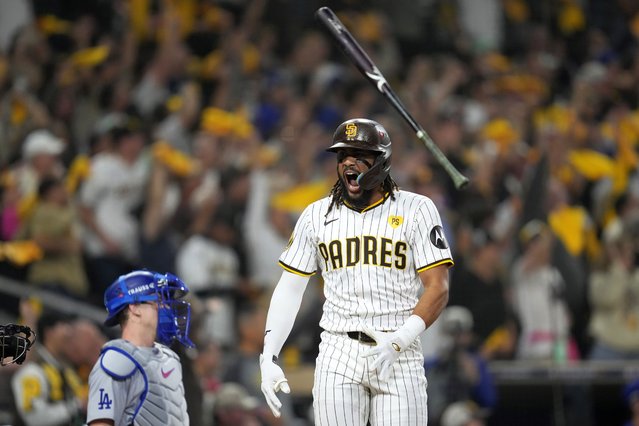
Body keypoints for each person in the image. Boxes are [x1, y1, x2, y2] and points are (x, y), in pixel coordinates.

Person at [259, 118, 453, 425]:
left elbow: (438, 287)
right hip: (339, 349)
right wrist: (269, 354)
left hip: (398, 347)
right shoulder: (315, 216)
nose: (349, 162)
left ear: (381, 162)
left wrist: (401, 339)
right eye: (343, 155)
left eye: (360, 155)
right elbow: (290, 287)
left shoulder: (417, 209)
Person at [85, 270, 194, 426]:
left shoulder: (170, 359)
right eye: (159, 301)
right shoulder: (116, 361)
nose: (167, 309)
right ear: (135, 308)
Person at [11, 310, 86, 426]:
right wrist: (77, 405)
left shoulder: (68, 372)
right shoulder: (32, 372)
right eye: (65, 336)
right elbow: (35, 418)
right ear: (49, 333)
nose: (70, 338)